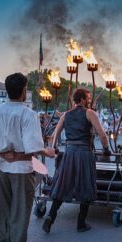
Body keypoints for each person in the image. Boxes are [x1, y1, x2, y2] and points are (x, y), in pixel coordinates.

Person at [0, 72, 55, 242]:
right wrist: (47, 151)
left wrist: (3, 151)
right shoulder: (28, 114)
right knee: (19, 213)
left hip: (0, 167)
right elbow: (33, 146)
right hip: (21, 169)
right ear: (24, 91)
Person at [42, 88, 110, 234]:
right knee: (86, 185)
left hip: (69, 152)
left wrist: (53, 148)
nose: (90, 100)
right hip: (84, 152)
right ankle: (81, 223)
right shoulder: (90, 113)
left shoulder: (66, 115)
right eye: (88, 98)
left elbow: (55, 134)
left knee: (62, 185)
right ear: (83, 99)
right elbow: (102, 135)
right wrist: (106, 149)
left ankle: (50, 217)